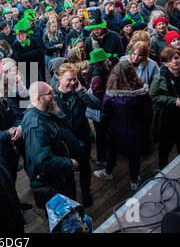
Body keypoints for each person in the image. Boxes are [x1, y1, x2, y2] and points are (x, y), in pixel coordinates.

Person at [94, 61, 153, 190]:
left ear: (115, 75)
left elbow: (105, 115)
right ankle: (134, 181)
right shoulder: (143, 93)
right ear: (133, 75)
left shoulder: (110, 96)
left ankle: (108, 172)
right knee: (134, 157)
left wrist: (104, 131)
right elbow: (148, 114)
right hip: (137, 131)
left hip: (115, 131)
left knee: (112, 153)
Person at [22, 81, 80, 211]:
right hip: (53, 183)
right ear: (38, 98)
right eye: (49, 93)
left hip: (60, 177)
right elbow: (43, 160)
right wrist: (68, 163)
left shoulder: (45, 111)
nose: (54, 95)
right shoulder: (35, 126)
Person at [53, 63, 101, 207]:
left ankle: (86, 193)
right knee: (68, 174)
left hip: (82, 137)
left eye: (75, 79)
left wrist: (81, 92)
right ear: (59, 78)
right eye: (69, 80)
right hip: (64, 143)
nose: (73, 82)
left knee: (85, 168)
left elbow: (96, 105)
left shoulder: (79, 91)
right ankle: (72, 200)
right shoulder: (52, 96)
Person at [87, 48, 112, 166]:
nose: (108, 61)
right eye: (106, 59)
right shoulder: (97, 78)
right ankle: (102, 159)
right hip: (101, 112)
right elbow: (97, 100)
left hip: (104, 111)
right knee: (101, 135)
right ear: (101, 62)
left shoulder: (101, 73)